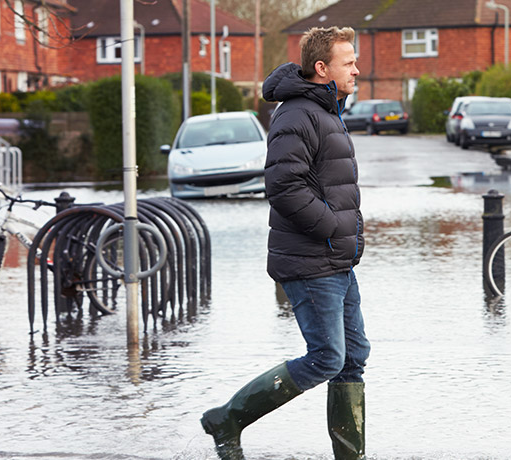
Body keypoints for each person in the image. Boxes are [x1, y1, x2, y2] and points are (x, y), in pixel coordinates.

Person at [200, 26, 369, 460]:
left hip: (336, 260)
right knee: (328, 357)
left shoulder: (326, 110)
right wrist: (333, 227)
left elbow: (331, 183)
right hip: (311, 259)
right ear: (322, 68)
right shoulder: (297, 114)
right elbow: (283, 186)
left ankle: (352, 457)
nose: (356, 68)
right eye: (348, 62)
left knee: (353, 357)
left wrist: (351, 234)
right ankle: (229, 418)